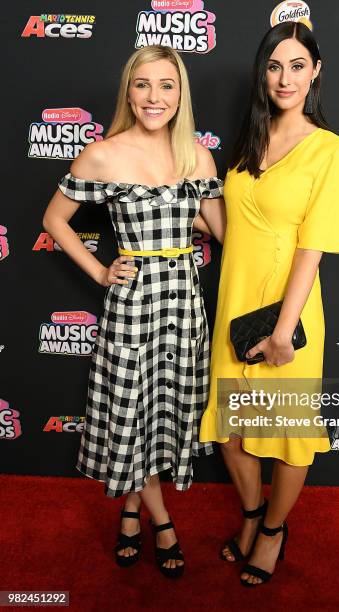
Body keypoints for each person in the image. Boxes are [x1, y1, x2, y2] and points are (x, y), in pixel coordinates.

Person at [42, 45, 225, 578]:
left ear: (180, 93)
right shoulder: (102, 154)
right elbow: (55, 219)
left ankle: (129, 509)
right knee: (131, 415)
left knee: (166, 416)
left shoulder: (198, 156)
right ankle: (162, 521)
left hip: (184, 307)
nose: (154, 97)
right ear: (128, 90)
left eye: (166, 85)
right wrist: (101, 272)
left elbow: (221, 231)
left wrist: (179, 221)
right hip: (133, 306)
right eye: (143, 84)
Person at [199, 22, 339, 586]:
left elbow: (312, 250)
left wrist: (284, 332)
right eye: (274, 66)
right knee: (232, 431)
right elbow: (230, 228)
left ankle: (272, 531)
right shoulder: (248, 143)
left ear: (316, 70)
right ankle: (249, 516)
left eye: (296, 65)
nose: (284, 77)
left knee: (289, 436)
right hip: (233, 302)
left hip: (285, 313)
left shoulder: (331, 151)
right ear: (261, 74)